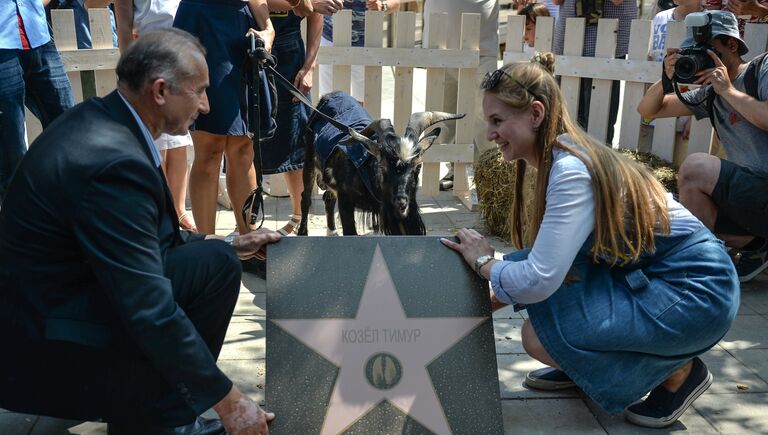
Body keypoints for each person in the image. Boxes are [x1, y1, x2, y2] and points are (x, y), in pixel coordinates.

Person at [0, 28, 281, 434]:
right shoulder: (112, 162)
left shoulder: (104, 119)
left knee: (217, 258)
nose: (205, 105)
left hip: (60, 299)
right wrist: (229, 402)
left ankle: (162, 406)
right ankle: (163, 419)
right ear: (161, 91)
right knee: (212, 269)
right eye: (199, 91)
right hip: (45, 348)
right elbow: (147, 306)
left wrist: (233, 243)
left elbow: (142, 242)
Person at [442, 53, 739, 428]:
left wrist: (485, 264)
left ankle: (680, 373)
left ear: (535, 114)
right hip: (658, 277)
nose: (490, 134)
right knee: (542, 329)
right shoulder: (563, 155)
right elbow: (551, 261)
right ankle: (584, 367)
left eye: (498, 120)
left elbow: (538, 279)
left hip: (696, 291)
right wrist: (466, 306)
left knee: (541, 337)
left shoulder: (570, 171)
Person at [638, 10, 768, 282]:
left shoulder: (761, 70)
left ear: (731, 45)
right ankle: (757, 247)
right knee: (671, 211)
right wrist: (666, 78)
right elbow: (648, 110)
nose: (698, 59)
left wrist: (728, 91)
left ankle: (699, 268)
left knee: (697, 167)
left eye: (707, 51)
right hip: (752, 200)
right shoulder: (710, 92)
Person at [173, 0, 279, 236]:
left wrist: (269, 29)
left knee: (243, 149)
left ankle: (249, 242)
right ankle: (206, 244)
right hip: (201, 23)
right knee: (209, 149)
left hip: (241, 24)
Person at [115, 0, 198, 231]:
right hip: (146, 58)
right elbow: (123, 26)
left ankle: (179, 209)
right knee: (155, 144)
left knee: (179, 141)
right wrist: (129, 69)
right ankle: (161, 210)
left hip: (181, 55)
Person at [0, 0, 75, 207]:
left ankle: (71, 203)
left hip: (38, 36)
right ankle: (18, 219)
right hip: (2, 45)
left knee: (69, 124)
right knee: (11, 143)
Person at [422, 0, 499, 191]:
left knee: (484, 115)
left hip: (481, 50)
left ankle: (491, 176)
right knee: (443, 117)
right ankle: (456, 170)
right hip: (440, 50)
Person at [261, 3, 322, 235]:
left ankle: (301, 217)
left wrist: (309, 67)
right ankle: (246, 219)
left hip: (290, 55)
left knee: (297, 142)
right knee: (246, 143)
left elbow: (316, 16)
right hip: (251, 47)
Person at [552, 0, 637, 145]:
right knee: (567, 116)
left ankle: (598, 162)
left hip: (607, 39)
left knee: (599, 120)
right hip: (570, 39)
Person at [318, 0, 401, 103]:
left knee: (363, 97)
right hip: (330, 40)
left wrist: (382, 6)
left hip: (365, 44)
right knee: (327, 96)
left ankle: (359, 119)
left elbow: (396, 3)